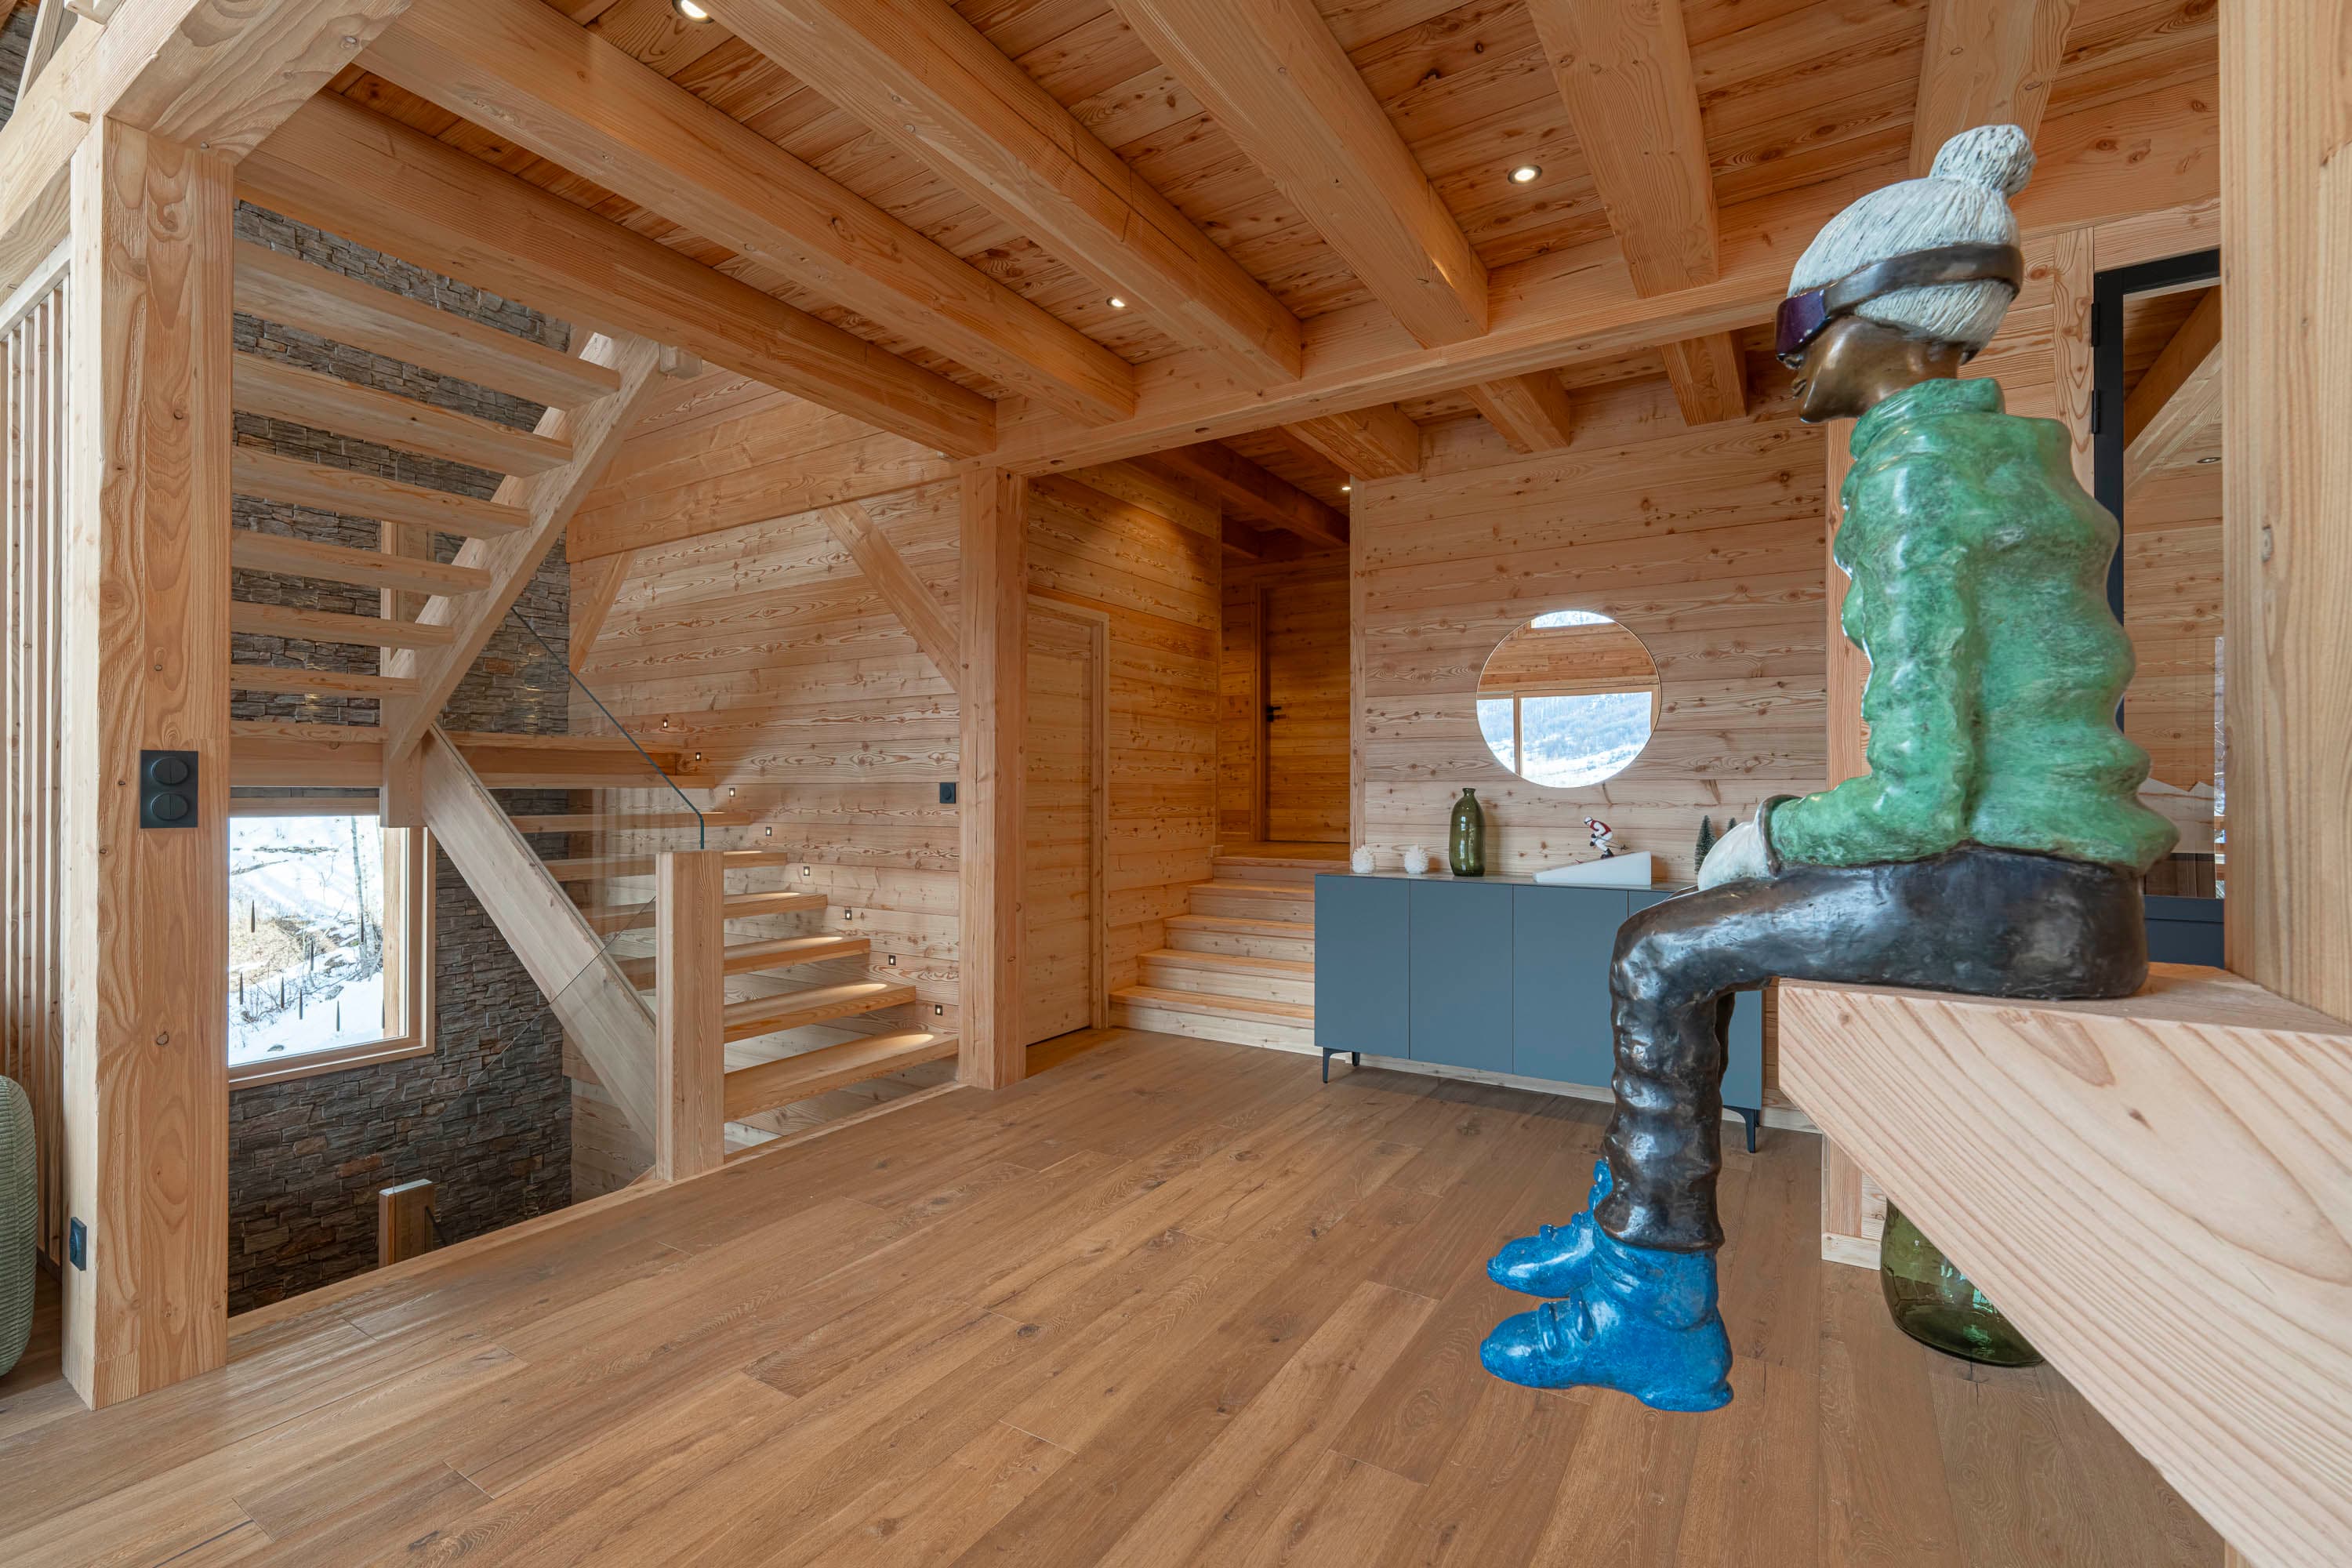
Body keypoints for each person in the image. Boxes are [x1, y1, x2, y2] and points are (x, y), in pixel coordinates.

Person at [1477, 125, 2179, 1412]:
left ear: (1891, 317)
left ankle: (1655, 1300)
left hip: (2012, 888)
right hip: (2073, 891)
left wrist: (1776, 833)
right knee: (1663, 940)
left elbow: (1917, 799)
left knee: (1655, 949)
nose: (1792, 347)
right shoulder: (2003, 459)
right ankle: (1632, 1226)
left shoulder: (1917, 472)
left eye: (1805, 313)